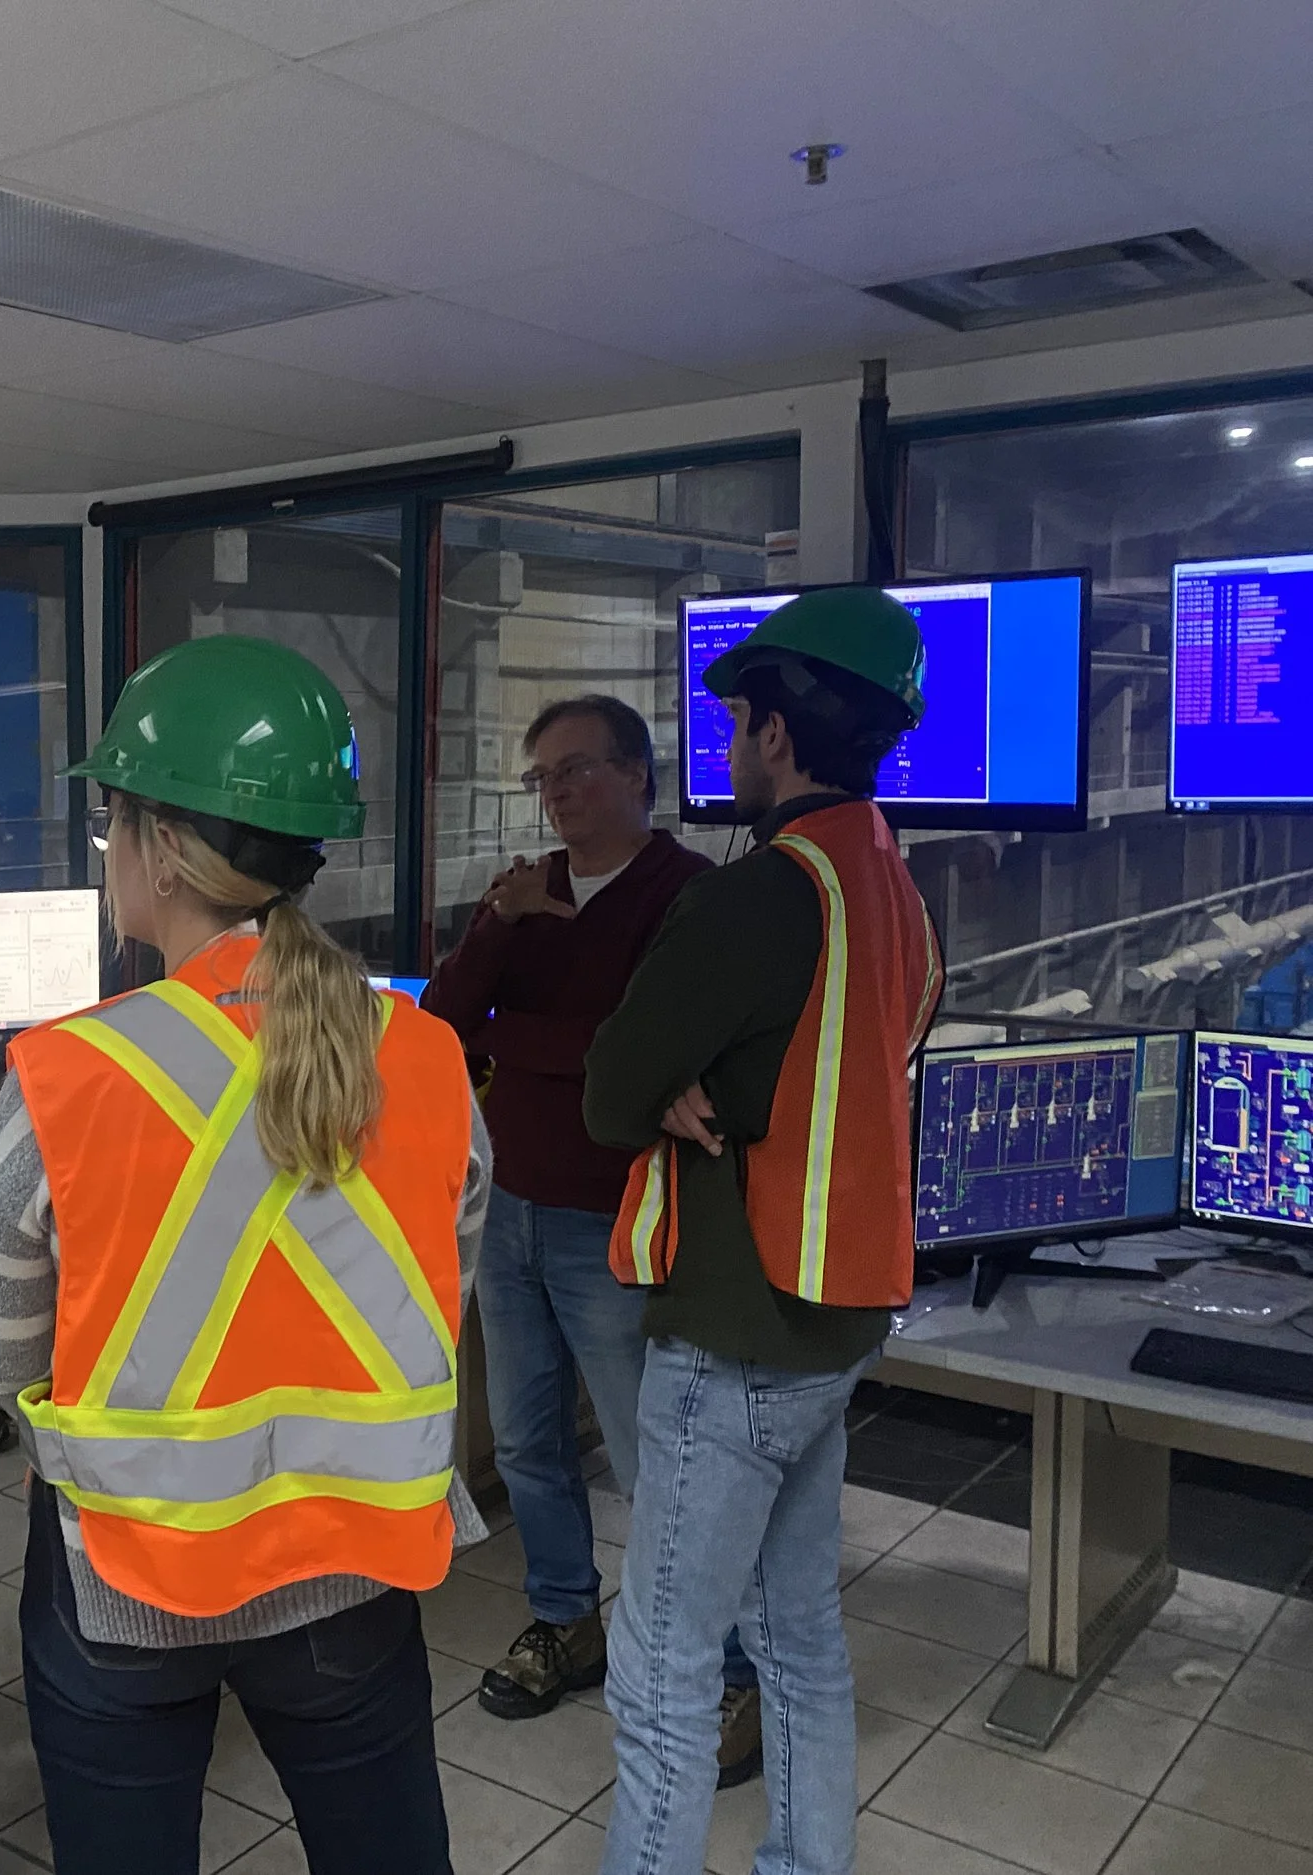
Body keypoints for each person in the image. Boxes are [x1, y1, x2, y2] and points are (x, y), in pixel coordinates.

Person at [0, 634, 491, 1875]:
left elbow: (3, 1362)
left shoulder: (61, 1075)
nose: (109, 854)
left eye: (110, 826)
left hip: (122, 1579)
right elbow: (440, 1287)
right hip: (346, 1571)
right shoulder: (421, 1057)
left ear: (158, 845)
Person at [583, 587, 942, 1875]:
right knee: (799, 1643)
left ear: (781, 735)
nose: (729, 752)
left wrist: (675, 1090)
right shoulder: (891, 882)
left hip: (734, 1335)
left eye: (738, 725)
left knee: (664, 1674)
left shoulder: (761, 895)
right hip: (835, 1324)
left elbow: (612, 1087)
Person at [421, 699, 753, 1767]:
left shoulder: (689, 895)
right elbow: (437, 1025)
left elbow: (637, 1051)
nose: (557, 795)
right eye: (542, 778)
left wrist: (520, 1036)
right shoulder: (530, 894)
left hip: (618, 1220)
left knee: (651, 1456)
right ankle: (567, 1622)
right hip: (511, 1210)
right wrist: (501, 923)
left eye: (575, 772)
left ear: (638, 777)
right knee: (523, 1443)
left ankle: (718, 1664)